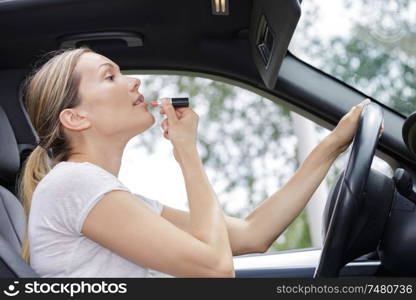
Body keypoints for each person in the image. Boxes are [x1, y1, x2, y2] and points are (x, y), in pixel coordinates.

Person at [18, 47, 382, 278]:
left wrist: (333, 144)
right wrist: (186, 152)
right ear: (76, 118)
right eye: (110, 76)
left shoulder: (107, 196)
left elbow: (253, 234)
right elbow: (216, 270)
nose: (134, 81)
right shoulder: (75, 185)